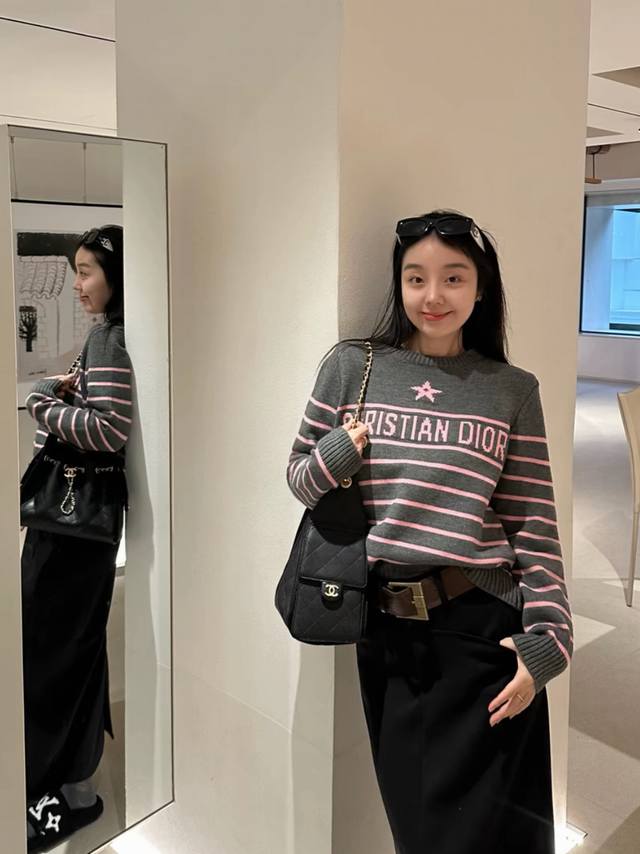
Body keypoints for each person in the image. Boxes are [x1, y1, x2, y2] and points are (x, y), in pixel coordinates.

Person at [286, 210, 572, 854]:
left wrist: (550, 641)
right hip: (388, 634)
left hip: (482, 628)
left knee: (505, 830)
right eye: (416, 278)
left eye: (453, 277)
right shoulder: (352, 367)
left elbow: (533, 524)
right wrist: (337, 453)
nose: (433, 295)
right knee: (421, 831)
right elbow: (300, 480)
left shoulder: (511, 391)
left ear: (481, 287)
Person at [22, 225, 132, 852]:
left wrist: (42, 403)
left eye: (87, 271)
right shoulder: (109, 336)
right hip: (75, 531)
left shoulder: (109, 339)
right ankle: (74, 789)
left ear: (115, 274)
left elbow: (110, 430)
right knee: (70, 656)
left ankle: (49, 791)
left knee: (50, 659)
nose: (77, 284)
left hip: (70, 532)